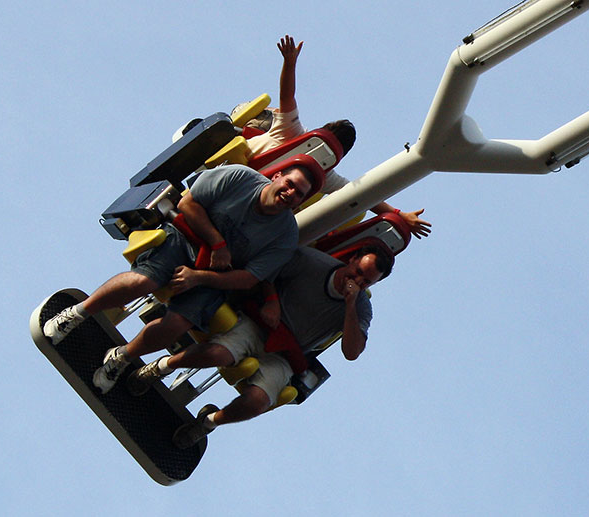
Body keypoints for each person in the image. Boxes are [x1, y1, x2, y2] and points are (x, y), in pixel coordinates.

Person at [43, 162, 321, 394]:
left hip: (213, 277)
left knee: (176, 325)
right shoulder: (240, 177)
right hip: (184, 239)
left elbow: (248, 278)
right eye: (290, 183)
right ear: (277, 177)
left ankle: (121, 357)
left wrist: (199, 278)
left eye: (298, 194)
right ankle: (78, 313)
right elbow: (189, 202)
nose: (290, 192)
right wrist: (217, 243)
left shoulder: (285, 236)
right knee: (145, 282)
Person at [125, 244, 393, 448]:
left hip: (284, 355)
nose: (357, 281)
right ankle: (160, 367)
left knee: (257, 401)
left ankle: (208, 422)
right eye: (358, 273)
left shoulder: (361, 308)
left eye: (366, 281)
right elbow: (267, 271)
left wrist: (349, 306)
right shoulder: (312, 262)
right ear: (353, 259)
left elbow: (352, 352)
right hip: (259, 326)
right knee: (220, 352)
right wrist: (272, 301)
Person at [241, 35, 432, 240]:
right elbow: (364, 194)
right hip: (240, 184)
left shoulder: (294, 133)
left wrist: (289, 63)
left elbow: (287, 96)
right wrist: (399, 214)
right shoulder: (323, 174)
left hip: (248, 193)